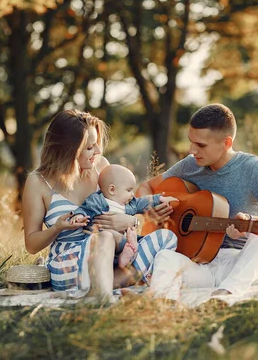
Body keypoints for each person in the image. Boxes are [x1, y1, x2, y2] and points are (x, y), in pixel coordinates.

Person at [136, 103, 258, 301]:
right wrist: (150, 208)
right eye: (191, 141)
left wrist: (250, 223)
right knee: (164, 257)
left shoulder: (254, 168)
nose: (192, 150)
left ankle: (225, 295)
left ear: (227, 143)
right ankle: (163, 305)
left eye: (201, 145)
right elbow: (145, 188)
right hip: (199, 266)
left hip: (239, 264)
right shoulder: (190, 165)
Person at [21, 110, 177, 299]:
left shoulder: (100, 166)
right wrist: (58, 227)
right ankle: (104, 299)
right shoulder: (38, 182)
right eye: (89, 147)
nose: (98, 151)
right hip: (68, 263)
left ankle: (107, 286)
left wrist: (130, 222)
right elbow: (31, 244)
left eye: (97, 144)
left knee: (166, 237)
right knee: (104, 238)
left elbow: (124, 206)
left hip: (112, 260)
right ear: (67, 149)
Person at [69, 164, 178, 268]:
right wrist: (78, 216)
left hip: (122, 243)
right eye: (129, 190)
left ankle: (125, 256)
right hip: (104, 245)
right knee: (109, 235)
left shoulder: (130, 204)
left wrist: (160, 199)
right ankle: (129, 250)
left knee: (151, 238)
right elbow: (85, 209)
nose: (132, 194)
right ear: (112, 190)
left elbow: (143, 201)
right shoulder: (97, 201)